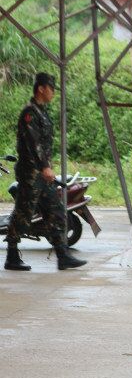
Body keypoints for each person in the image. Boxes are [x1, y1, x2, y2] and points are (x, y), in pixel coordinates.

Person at [5, 72, 85, 271]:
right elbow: (33, 143)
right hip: (30, 173)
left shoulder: (42, 112)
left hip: (41, 174)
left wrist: (46, 167)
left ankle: (63, 256)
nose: (53, 92)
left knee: (56, 210)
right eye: (51, 88)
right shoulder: (29, 113)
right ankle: (12, 256)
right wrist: (44, 166)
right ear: (41, 88)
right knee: (24, 214)